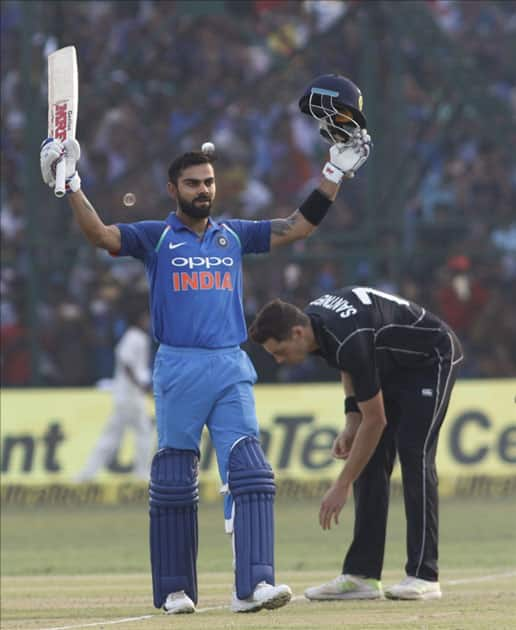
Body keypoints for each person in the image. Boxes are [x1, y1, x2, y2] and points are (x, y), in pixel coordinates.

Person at [39, 101, 372, 614]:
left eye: (209, 182)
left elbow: (298, 226)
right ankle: (176, 591)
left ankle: (255, 585)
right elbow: (101, 236)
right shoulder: (156, 236)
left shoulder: (232, 234)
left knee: (251, 471)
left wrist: (334, 172)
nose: (204, 190)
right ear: (174, 190)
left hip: (229, 365)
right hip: (179, 366)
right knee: (174, 479)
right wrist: (70, 185)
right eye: (194, 183)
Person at [248, 286, 463, 601]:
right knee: (372, 460)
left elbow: (375, 420)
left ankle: (424, 574)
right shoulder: (316, 324)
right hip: (391, 364)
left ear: (296, 332)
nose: (280, 360)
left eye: (279, 351)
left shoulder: (346, 335)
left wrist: (342, 484)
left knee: (415, 455)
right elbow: (347, 365)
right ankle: (362, 575)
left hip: (431, 360)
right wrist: (351, 420)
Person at [75, 305, 154, 482]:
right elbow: (126, 364)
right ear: (140, 319)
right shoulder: (135, 337)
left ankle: (88, 473)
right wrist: (140, 385)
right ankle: (141, 473)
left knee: (113, 435)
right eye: (146, 318)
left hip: (126, 395)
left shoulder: (133, 337)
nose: (149, 321)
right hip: (130, 395)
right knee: (143, 431)